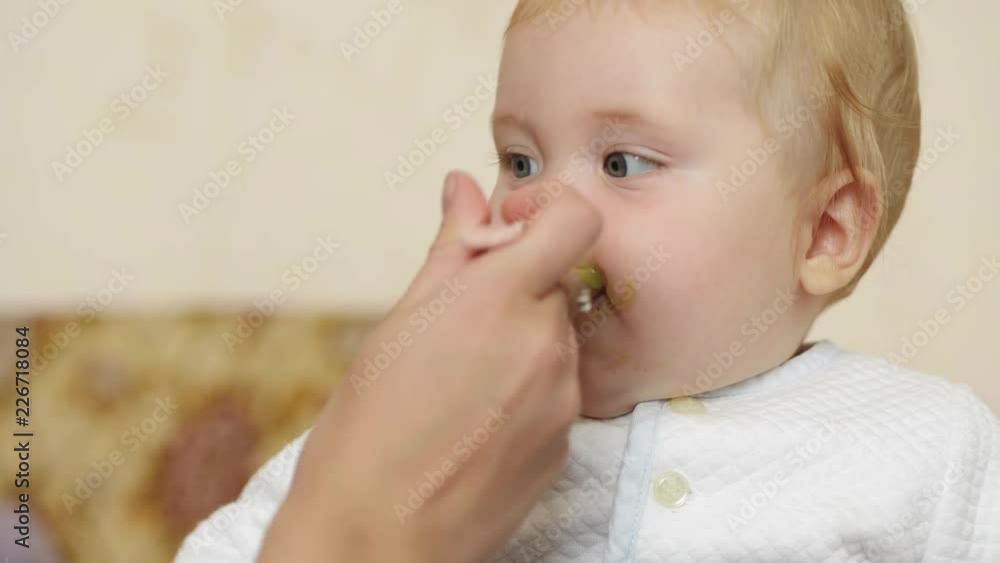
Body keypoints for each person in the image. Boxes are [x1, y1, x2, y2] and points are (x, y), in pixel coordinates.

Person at [178, 0, 1000, 561]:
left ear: (824, 230)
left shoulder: (930, 445)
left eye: (622, 163)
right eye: (519, 160)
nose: (536, 205)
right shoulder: (445, 424)